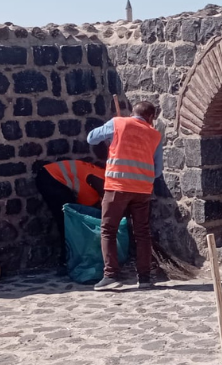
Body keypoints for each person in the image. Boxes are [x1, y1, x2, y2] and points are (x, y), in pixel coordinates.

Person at [85, 100, 164, 290]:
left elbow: (91, 138)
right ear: (151, 117)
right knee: (142, 233)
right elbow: (158, 170)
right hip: (142, 190)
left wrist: (111, 138)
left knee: (108, 230)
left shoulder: (118, 123)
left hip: (117, 187)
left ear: (132, 113)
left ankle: (111, 276)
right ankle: (144, 278)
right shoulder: (155, 135)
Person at [34, 159, 108, 260]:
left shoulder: (102, 177)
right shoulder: (97, 186)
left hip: (49, 174)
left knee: (68, 218)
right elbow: (86, 211)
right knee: (68, 220)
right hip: (51, 179)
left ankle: (70, 256)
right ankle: (68, 258)